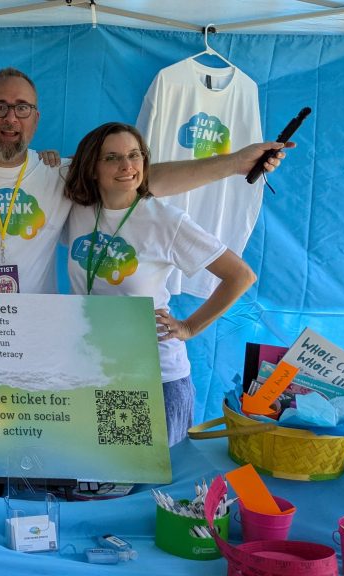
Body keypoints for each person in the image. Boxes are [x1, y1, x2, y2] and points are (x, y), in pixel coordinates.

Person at [0, 67, 289, 293]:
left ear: (35, 118)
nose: (10, 118)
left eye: (22, 108)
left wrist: (235, 162)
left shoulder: (60, 173)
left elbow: (147, 180)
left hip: (33, 338)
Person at [63, 122, 256, 445]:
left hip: (155, 378)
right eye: (112, 158)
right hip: (96, 372)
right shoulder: (79, 212)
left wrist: (190, 327)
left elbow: (241, 276)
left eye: (134, 155)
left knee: (153, 488)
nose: (127, 166)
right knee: (109, 479)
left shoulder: (165, 220)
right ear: (92, 168)